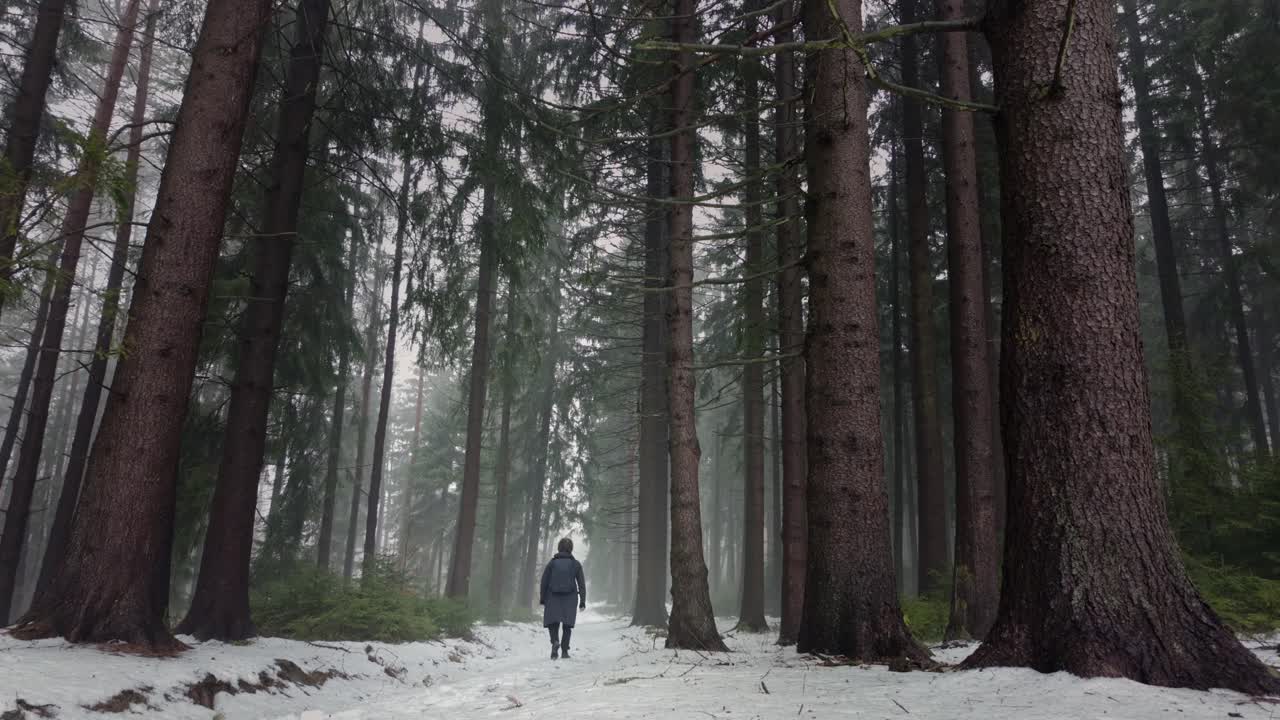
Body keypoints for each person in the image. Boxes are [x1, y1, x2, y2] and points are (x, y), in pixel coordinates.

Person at [540, 537, 586, 660]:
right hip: (570, 598)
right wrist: (582, 601)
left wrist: (542, 598)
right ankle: (565, 651)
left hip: (552, 597)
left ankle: (555, 642)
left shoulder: (552, 563)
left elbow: (544, 581)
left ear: (559, 548)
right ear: (571, 549)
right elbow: (581, 584)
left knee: (552, 623)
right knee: (567, 625)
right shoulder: (576, 564)